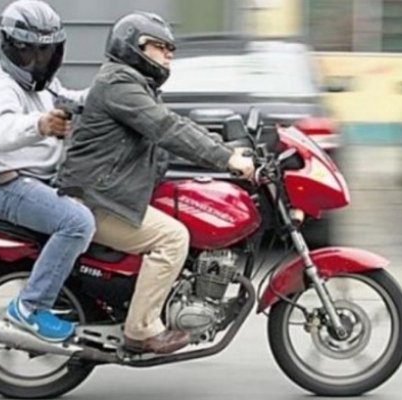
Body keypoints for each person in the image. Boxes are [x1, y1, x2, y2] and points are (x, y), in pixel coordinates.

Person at [56, 12, 254, 354]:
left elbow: (173, 126)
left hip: (109, 191)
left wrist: (225, 148)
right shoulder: (119, 84)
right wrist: (227, 159)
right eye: (160, 47)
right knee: (173, 238)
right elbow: (166, 129)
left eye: (170, 48)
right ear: (133, 47)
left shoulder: (133, 85)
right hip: (95, 198)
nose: (169, 55)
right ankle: (141, 329)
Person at [0, 0, 95, 342]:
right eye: (29, 52)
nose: (37, 60)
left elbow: (69, 99)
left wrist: (112, 91)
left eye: (45, 52)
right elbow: (2, 131)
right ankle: (30, 308)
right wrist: (41, 125)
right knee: (77, 223)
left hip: (33, 177)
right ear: (8, 45)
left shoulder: (39, 82)